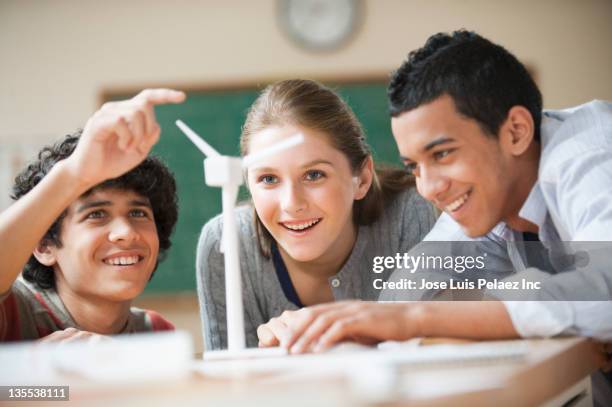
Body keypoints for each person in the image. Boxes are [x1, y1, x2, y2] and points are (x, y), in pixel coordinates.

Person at [253, 30, 612, 355]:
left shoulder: (588, 157)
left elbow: (604, 290)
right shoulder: (486, 202)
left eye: (442, 154)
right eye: (414, 167)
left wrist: (413, 320)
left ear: (516, 132)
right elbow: (405, 299)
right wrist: (333, 329)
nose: (428, 189)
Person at [196, 79, 437, 350]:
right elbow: (228, 382)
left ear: (362, 178)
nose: (291, 203)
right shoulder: (223, 242)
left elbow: (423, 355)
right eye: (268, 178)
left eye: (314, 175)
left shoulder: (408, 214)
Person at [0, 88, 186, 342]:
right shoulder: (11, 314)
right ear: (44, 245)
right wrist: (28, 377)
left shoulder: (155, 332)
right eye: (97, 214)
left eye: (137, 212)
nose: (126, 232)